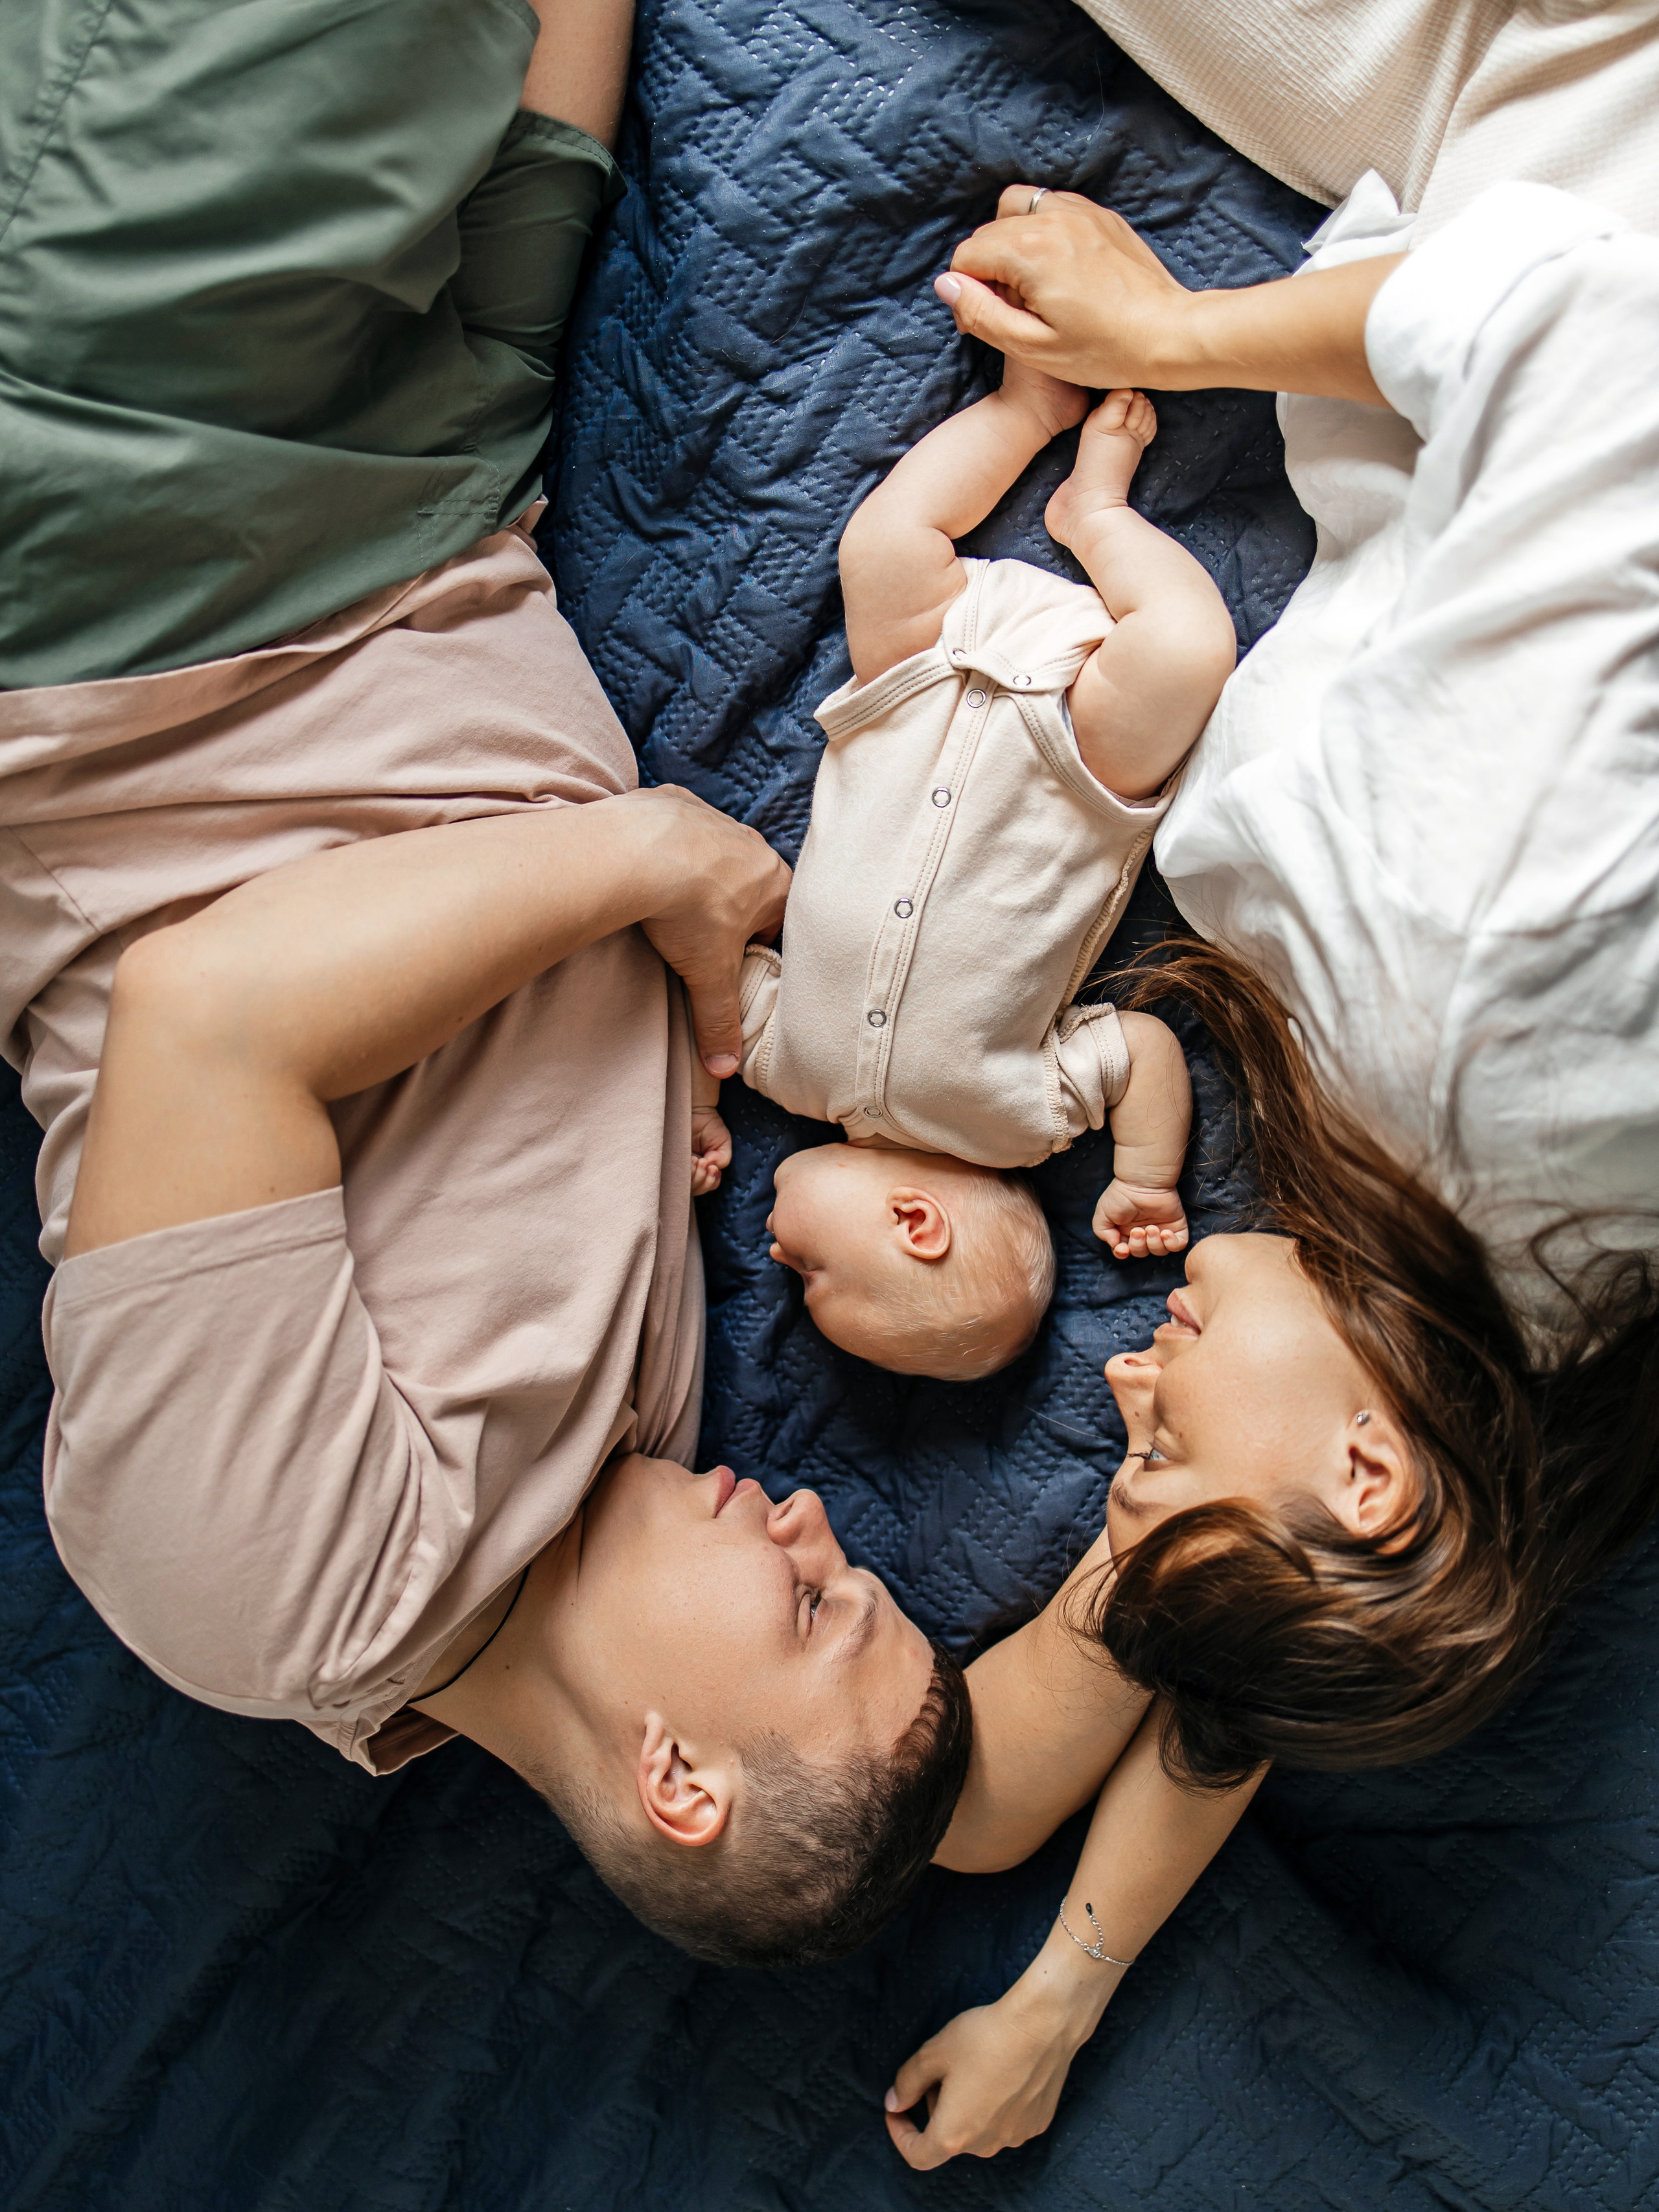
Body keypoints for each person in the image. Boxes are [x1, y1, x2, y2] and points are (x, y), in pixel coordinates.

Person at [0, 0, 973, 1968]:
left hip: (170, 569)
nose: (808, 1523)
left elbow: (214, 1014)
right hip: (448, 489)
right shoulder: (636, 1442)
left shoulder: (281, 1589)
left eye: (814, 1607)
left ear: (676, 1774)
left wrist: (649, 861)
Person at [882, 5, 1659, 2167]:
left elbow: (1231, 1675)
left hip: (1462, 216)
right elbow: (1592, 331)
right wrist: (1174, 328)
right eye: (1153, 1473)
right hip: (1559, 135)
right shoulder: (1466, 1005)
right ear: (1371, 1472)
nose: (1117, 1404)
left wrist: (1057, 1995)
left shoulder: (1534, 1313)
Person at [712, 375, 1231, 1377]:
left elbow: (701, 976)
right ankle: (1100, 514)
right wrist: (1145, 1178)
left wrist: (697, 1099)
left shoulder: (783, 1067)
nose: (775, 1255)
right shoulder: (1020, 1123)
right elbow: (1144, 1049)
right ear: (916, 1223)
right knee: (1185, 645)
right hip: (1071, 768)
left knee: (884, 545)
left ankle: (1026, 409)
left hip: (909, 694)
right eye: (811, 1272)